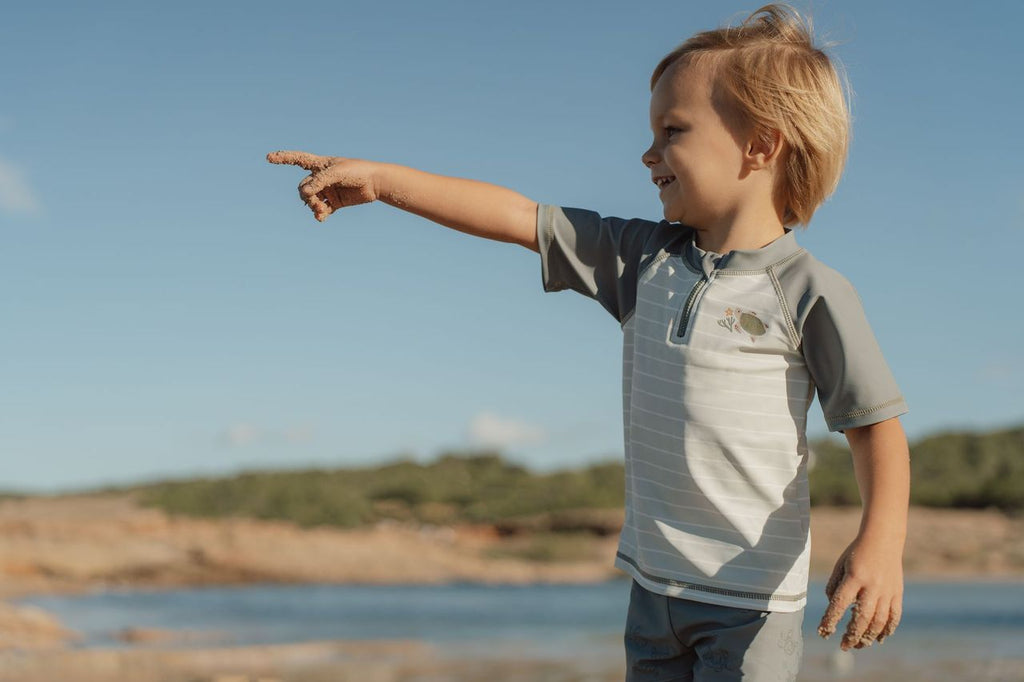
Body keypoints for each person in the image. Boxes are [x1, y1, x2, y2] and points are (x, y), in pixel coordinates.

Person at [267, 4, 909, 679]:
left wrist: (882, 542)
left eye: (673, 130)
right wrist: (385, 181)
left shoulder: (808, 291)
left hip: (749, 601)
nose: (648, 152)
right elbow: (519, 216)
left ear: (761, 145)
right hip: (653, 591)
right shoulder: (642, 261)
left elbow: (875, 426)